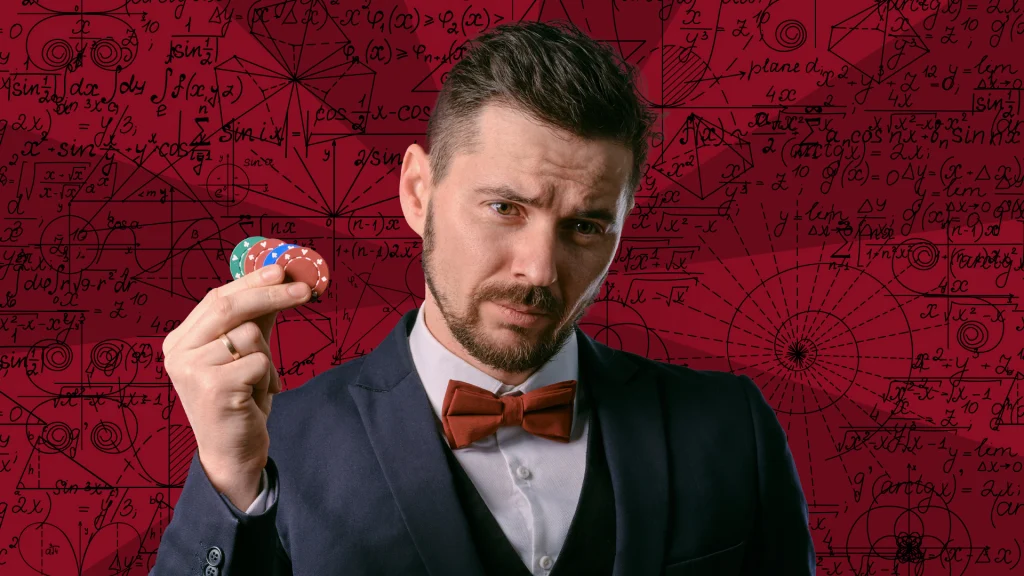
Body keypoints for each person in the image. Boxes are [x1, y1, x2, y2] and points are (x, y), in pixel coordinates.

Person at [151, 20, 815, 576]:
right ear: (418, 192)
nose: (539, 270)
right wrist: (233, 485)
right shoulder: (277, 446)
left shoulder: (733, 428)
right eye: (505, 207)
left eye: (585, 227)